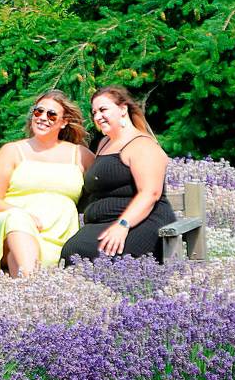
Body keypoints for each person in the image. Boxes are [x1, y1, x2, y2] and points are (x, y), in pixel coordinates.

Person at [0, 90, 95, 280]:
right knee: (18, 221)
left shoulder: (80, 155)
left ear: (64, 122)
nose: (43, 118)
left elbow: (106, 184)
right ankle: (33, 285)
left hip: (58, 235)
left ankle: (24, 295)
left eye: (51, 115)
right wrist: (23, 214)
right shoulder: (11, 151)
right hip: (8, 231)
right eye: (38, 112)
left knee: (17, 259)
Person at [60, 86, 176, 263]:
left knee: (85, 254)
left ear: (123, 109)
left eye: (103, 109)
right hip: (104, 223)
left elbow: (150, 193)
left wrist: (123, 225)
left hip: (140, 222)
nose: (97, 116)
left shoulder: (142, 145)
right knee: (72, 251)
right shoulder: (104, 143)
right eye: (94, 112)